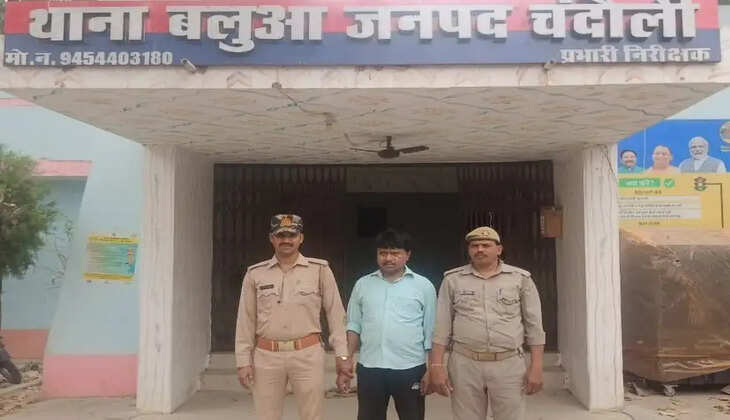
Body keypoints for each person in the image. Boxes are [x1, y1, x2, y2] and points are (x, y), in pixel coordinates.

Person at [235, 214, 351, 420]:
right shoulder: (255, 274)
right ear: (272, 238)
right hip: (267, 356)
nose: (286, 240)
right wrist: (243, 361)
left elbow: (336, 314)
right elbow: (245, 320)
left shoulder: (319, 270)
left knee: (312, 416)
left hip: (307, 354)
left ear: (301, 238)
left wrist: (342, 356)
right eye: (281, 235)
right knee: (266, 416)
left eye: (292, 235)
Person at [430, 226, 545, 420]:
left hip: (508, 363)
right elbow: (441, 326)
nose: (480, 249)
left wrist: (537, 365)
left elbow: (535, 327)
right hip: (465, 363)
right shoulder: (453, 280)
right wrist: (436, 365)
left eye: (486, 245)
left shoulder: (520, 279)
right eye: (474, 246)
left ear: (499, 249)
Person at [340, 228, 437, 420]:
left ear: (408, 255)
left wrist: (432, 368)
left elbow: (431, 330)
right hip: (370, 368)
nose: (388, 258)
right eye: (383, 253)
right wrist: (346, 360)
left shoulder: (423, 286)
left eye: (395, 253)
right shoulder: (363, 284)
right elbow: (353, 326)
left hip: (410, 368)